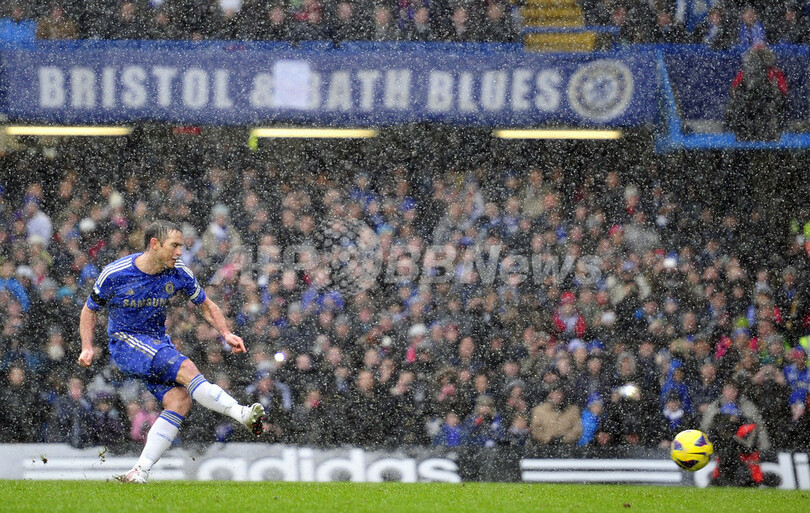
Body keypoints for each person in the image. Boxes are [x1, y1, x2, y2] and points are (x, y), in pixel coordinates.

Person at [79, 220, 265, 483]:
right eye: (174, 245)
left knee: (180, 400)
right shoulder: (115, 273)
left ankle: (139, 471)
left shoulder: (179, 272)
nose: (179, 252)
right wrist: (87, 347)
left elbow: (206, 305)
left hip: (157, 342)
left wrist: (226, 333)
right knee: (187, 368)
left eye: (182, 247)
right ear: (154, 244)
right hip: (126, 342)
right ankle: (241, 413)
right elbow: (90, 310)